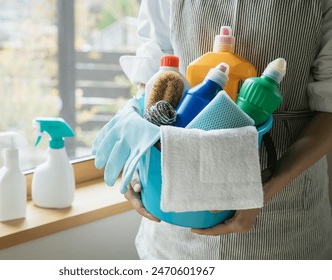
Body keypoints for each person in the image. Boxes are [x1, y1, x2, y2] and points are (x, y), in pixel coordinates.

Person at [115, 0, 332, 260]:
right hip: (172, 216)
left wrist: (265, 190)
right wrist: (138, 159)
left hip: (285, 218)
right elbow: (155, 76)